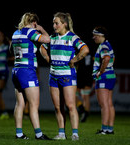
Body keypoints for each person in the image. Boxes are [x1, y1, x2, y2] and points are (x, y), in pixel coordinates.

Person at [40, 12, 89, 141]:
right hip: (53, 75)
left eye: (56, 23)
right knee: (58, 107)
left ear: (64, 24)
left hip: (67, 75)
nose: (54, 25)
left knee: (71, 105)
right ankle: (61, 134)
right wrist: (46, 57)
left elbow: (85, 49)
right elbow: (42, 48)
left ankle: (75, 134)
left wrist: (74, 60)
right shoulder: (52, 37)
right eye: (53, 23)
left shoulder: (72, 37)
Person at [11, 12, 51, 140]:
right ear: (34, 22)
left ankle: (19, 134)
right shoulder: (30, 31)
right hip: (27, 71)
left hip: (16, 70)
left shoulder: (16, 33)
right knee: (34, 104)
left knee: (19, 104)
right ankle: (39, 134)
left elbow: (11, 49)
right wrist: (41, 29)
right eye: (36, 24)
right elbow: (47, 39)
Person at [92, 26, 116, 135]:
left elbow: (106, 58)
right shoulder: (108, 44)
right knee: (109, 104)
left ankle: (104, 129)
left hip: (104, 77)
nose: (93, 37)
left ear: (101, 36)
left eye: (95, 35)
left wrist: (100, 72)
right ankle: (110, 129)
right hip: (111, 75)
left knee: (104, 104)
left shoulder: (103, 46)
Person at [77, 52, 94, 122]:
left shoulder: (79, 52)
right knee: (85, 96)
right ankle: (85, 112)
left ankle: (82, 109)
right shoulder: (92, 53)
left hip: (81, 75)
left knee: (73, 94)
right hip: (89, 75)